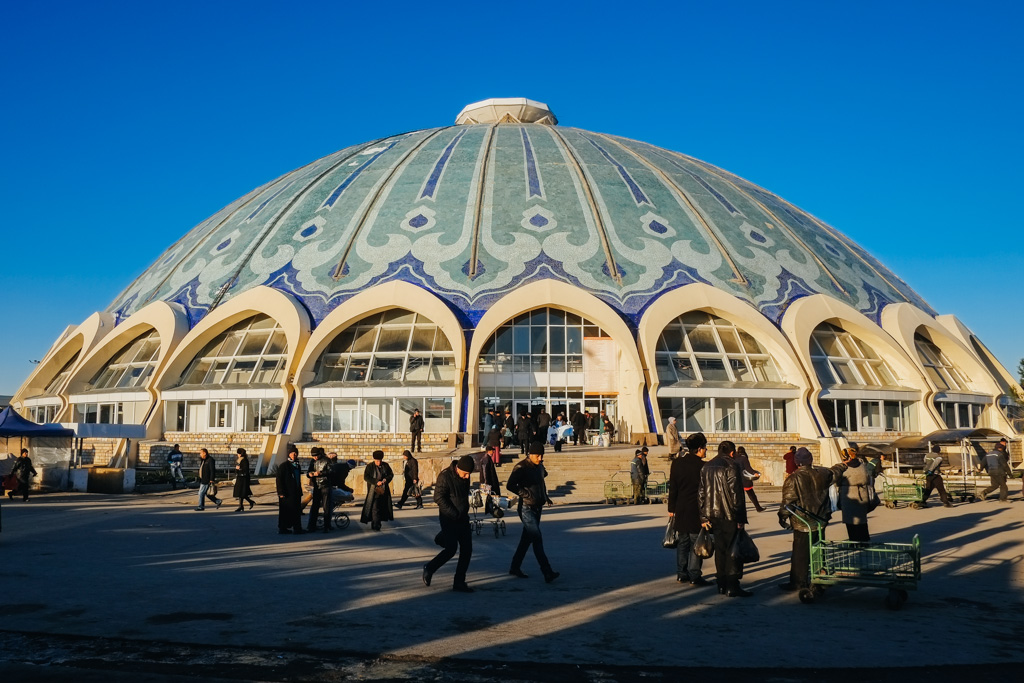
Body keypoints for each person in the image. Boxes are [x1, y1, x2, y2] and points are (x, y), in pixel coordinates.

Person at [777, 447, 848, 593]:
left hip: (802, 522)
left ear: (797, 462)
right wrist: (844, 464)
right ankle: (819, 578)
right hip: (820, 519)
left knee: (800, 554)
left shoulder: (793, 478)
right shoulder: (822, 473)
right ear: (811, 460)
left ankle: (798, 582)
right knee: (818, 551)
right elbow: (835, 471)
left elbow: (788, 501)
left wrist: (782, 516)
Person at [697, 440, 750, 597]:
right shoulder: (731, 466)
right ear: (732, 453)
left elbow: (700, 493)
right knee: (733, 550)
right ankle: (732, 585)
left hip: (713, 515)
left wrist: (703, 516)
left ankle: (721, 583)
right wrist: (740, 517)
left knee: (720, 549)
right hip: (729, 515)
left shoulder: (706, 466)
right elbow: (736, 494)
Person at [506, 442, 559, 583]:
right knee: (537, 538)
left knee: (526, 540)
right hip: (526, 508)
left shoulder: (540, 467)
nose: (540, 458)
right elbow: (510, 485)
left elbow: (542, 483)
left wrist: (545, 496)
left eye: (542, 455)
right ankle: (547, 571)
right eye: (537, 455)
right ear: (530, 454)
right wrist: (525, 494)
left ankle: (514, 566)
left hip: (538, 506)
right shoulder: (521, 467)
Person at [423, 455, 476, 593]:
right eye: (465, 474)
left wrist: (463, 512)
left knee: (467, 550)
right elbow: (438, 497)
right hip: (449, 518)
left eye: (468, 475)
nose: (466, 477)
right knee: (451, 549)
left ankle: (459, 581)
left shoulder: (466, 475)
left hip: (463, 518)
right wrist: (454, 513)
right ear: (458, 468)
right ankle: (430, 568)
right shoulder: (445, 476)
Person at [668, 432, 712, 586]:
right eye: (705, 447)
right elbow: (706, 492)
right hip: (696, 510)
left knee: (682, 543)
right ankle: (695, 574)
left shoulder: (677, 463)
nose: (705, 450)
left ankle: (681, 573)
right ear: (699, 448)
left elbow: (673, 487)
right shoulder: (703, 467)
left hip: (681, 508)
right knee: (696, 543)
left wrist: (671, 508)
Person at [835, 446, 877, 541]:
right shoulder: (863, 466)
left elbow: (837, 482)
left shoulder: (845, 469)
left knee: (851, 522)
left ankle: (854, 541)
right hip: (862, 495)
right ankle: (864, 539)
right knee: (862, 520)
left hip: (849, 497)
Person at [361, 450, 394, 531]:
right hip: (373, 491)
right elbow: (366, 477)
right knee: (375, 508)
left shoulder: (385, 465)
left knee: (381, 507)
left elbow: (391, 474)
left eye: (380, 461)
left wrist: (386, 480)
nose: (378, 463)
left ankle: (375, 522)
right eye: (377, 461)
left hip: (383, 491)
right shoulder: (369, 466)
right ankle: (376, 525)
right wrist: (376, 482)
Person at [276, 446, 305, 534]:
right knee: (285, 511)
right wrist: (280, 492)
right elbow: (279, 479)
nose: (294, 455)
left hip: (295, 492)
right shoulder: (284, 466)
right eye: (292, 453)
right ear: (289, 454)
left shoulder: (297, 465)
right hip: (286, 493)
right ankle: (283, 528)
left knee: (296, 511)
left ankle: (297, 528)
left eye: (295, 453)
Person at [306, 448, 334, 532]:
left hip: (325, 486)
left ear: (319, 454)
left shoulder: (327, 460)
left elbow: (331, 471)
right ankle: (311, 526)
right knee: (314, 507)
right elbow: (308, 472)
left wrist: (321, 473)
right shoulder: (312, 461)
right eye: (313, 456)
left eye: (316, 456)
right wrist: (310, 474)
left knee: (326, 507)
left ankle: (327, 526)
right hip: (316, 487)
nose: (315, 458)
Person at [734, 446, 765, 512]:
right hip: (745, 479)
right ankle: (758, 508)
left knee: (738, 496)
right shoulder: (744, 458)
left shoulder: (734, 457)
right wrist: (754, 473)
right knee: (751, 494)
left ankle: (738, 509)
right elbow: (748, 468)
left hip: (737, 478)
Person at [232, 447, 255, 511]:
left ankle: (242, 505)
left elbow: (245, 470)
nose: (237, 455)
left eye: (238, 453)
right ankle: (244, 504)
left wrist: (239, 469)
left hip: (243, 479)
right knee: (241, 493)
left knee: (242, 492)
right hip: (240, 478)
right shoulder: (240, 460)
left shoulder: (244, 460)